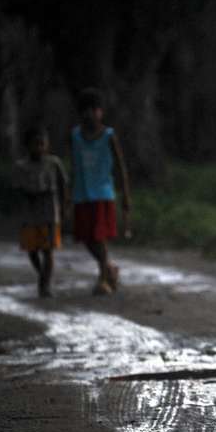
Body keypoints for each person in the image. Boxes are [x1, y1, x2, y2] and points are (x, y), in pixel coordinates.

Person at [70, 88, 131, 295]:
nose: (89, 114)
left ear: (100, 112)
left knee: (99, 237)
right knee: (87, 239)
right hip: (81, 194)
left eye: (93, 110)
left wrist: (125, 195)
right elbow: (74, 166)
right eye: (84, 110)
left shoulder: (108, 136)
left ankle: (103, 278)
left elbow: (121, 166)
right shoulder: (76, 136)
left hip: (102, 194)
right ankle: (109, 267)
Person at [13, 125, 69, 298]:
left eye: (42, 144)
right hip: (30, 215)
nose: (39, 148)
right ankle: (43, 275)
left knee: (48, 250)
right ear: (27, 145)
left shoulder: (53, 163)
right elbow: (17, 188)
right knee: (32, 250)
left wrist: (65, 205)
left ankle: (44, 284)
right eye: (35, 144)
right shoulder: (21, 166)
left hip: (49, 213)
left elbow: (63, 184)